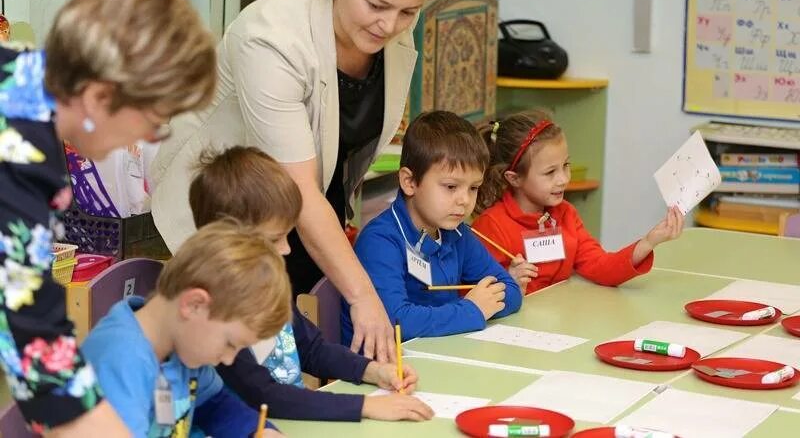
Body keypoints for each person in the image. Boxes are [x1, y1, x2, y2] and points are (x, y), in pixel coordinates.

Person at [149, 0, 446, 362]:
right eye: (377, 6)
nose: (390, 26)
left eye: (408, 12)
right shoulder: (270, 37)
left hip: (308, 205)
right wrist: (364, 296)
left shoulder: (389, 30)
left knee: (304, 348)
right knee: (247, 362)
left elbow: (336, 157)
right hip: (231, 209)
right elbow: (298, 188)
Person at [0, 0, 216, 436]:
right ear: (100, 97)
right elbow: (40, 352)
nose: (149, 138)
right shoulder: (17, 149)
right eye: (154, 121)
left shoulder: (20, 86)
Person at [188, 146, 433, 422]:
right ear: (226, 238)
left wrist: (374, 371)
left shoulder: (267, 283)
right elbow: (266, 396)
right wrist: (364, 406)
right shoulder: (216, 311)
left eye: (287, 236)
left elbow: (312, 349)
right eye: (273, 239)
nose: (285, 250)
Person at [82, 220, 289, 437]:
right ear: (194, 305)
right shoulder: (120, 361)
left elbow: (216, 407)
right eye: (230, 344)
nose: (229, 360)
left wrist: (262, 431)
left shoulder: (182, 347)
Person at [342, 111, 523, 344]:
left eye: (473, 188)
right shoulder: (380, 241)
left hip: (438, 353)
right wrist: (471, 310)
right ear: (409, 182)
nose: (464, 200)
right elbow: (397, 322)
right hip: (383, 368)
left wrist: (479, 306)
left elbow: (511, 290)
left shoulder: (457, 232)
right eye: (450, 187)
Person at [472, 110, 684, 295]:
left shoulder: (566, 215)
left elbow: (602, 267)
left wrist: (649, 241)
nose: (564, 179)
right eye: (550, 172)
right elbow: (477, 294)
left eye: (566, 165)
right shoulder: (491, 227)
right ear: (514, 178)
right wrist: (511, 284)